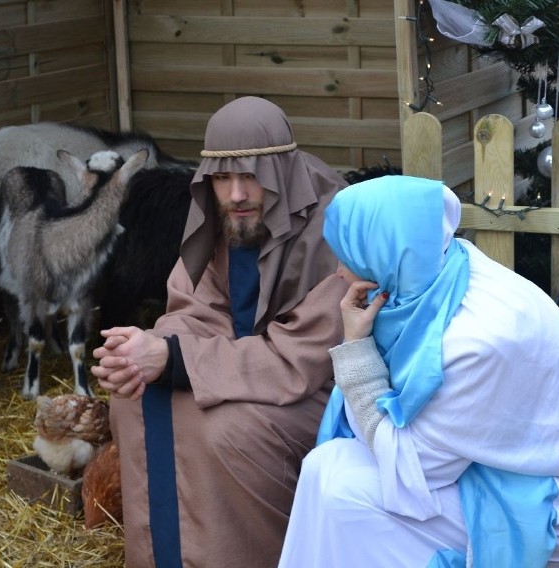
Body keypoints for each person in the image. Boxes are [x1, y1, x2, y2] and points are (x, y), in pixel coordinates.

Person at [278, 175, 559, 568]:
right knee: (323, 467)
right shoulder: (442, 267)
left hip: (548, 508)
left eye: (347, 256)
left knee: (343, 492)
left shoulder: (477, 341)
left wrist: (356, 351)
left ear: (388, 253)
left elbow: (414, 469)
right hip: (488, 473)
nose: (337, 272)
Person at [90, 96, 349, 567]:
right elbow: (193, 307)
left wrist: (175, 359)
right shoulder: (228, 217)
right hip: (244, 371)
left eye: (250, 176)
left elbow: (303, 359)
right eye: (222, 178)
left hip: (326, 391)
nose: (235, 195)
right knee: (133, 400)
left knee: (228, 429)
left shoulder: (335, 227)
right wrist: (144, 351)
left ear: (281, 173)